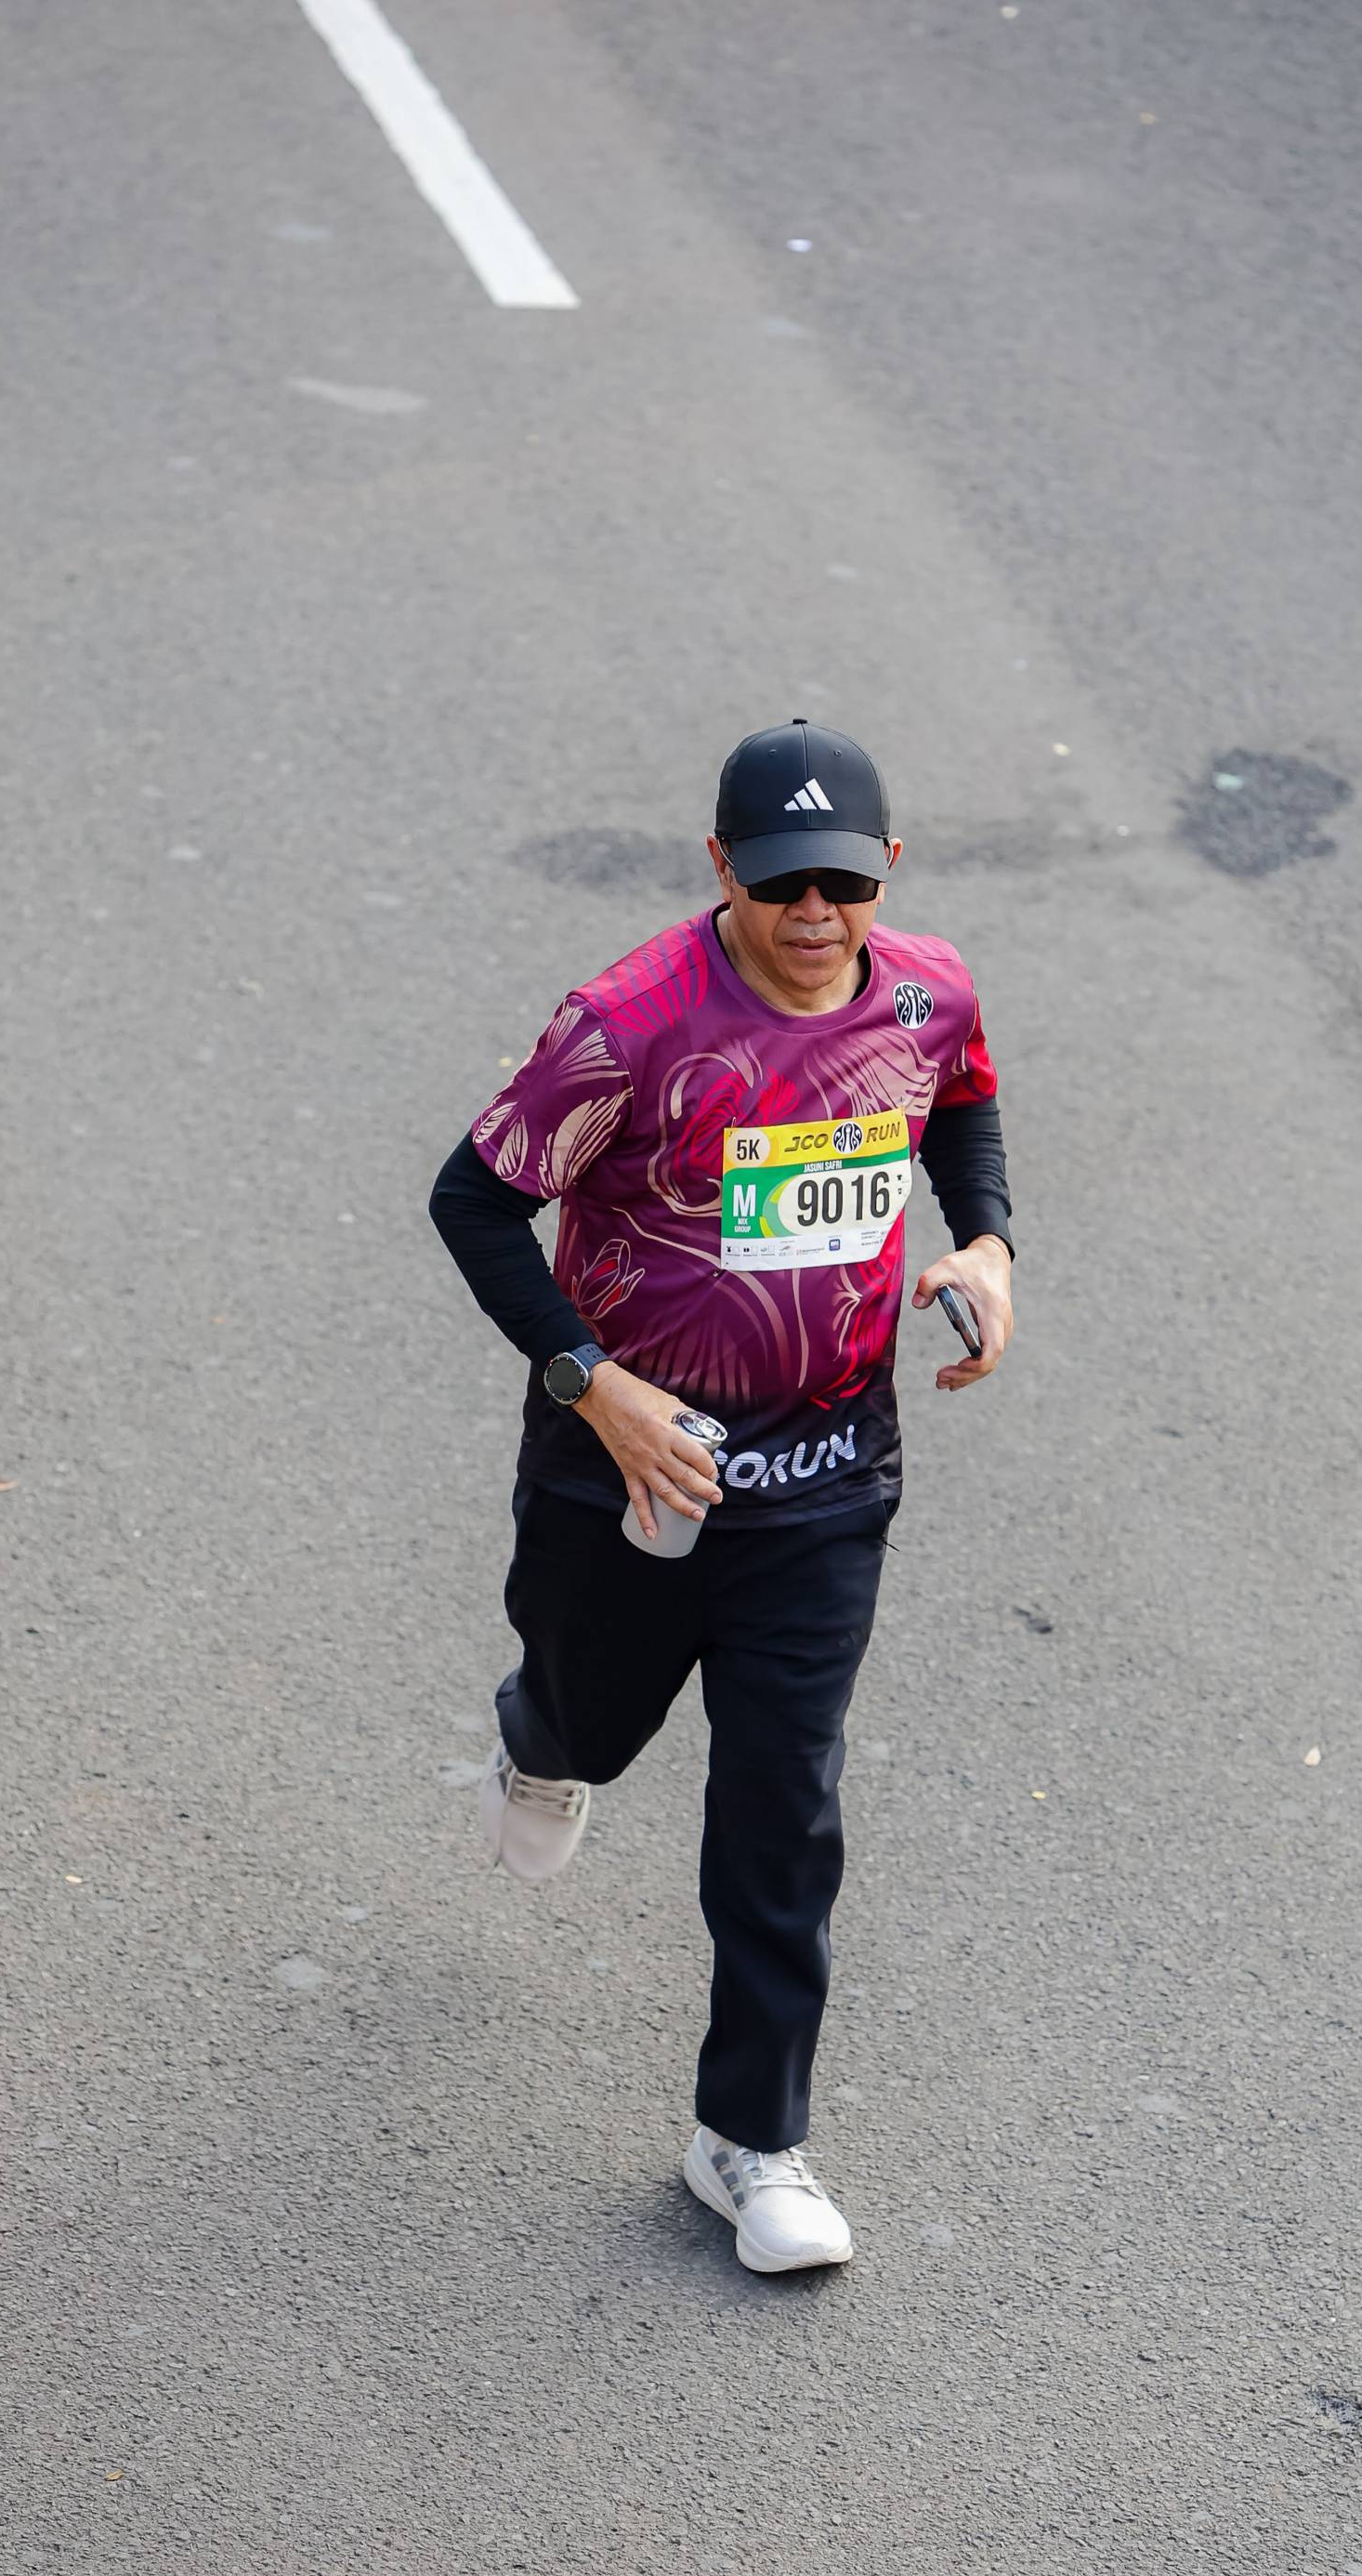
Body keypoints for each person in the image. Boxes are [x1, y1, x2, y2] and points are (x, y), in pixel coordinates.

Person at [429, 720, 1014, 2274]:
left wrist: (987, 1241)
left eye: (843, 884)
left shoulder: (926, 990)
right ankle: (541, 1741)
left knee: (783, 1803)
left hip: (824, 1474)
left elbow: (959, 1100)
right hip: (627, 1464)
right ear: (720, 869)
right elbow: (475, 1199)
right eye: (779, 885)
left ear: (886, 872)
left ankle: (749, 2141)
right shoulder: (628, 1026)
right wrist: (593, 1385)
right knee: (589, 1718)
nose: (814, 915)